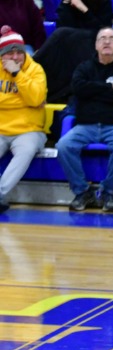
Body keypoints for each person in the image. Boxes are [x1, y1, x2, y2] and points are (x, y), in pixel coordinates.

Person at [56, 27, 113, 212]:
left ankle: (108, 192)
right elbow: (78, 89)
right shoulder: (84, 67)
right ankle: (82, 191)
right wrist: (109, 88)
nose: (107, 41)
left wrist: (93, 91)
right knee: (63, 146)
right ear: (96, 45)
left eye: (112, 38)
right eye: (102, 38)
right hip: (86, 125)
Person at [0, 26, 47, 213]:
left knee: (26, 150)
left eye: (19, 52)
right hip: (1, 129)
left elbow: (35, 98)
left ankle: (0, 193)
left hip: (30, 130)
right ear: (1, 55)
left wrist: (17, 74)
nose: (15, 57)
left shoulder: (35, 70)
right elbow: (33, 100)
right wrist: (22, 100)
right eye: (9, 53)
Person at [33, 0, 113, 103]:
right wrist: (65, 5)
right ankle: (38, 80)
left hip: (94, 43)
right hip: (72, 44)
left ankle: (33, 67)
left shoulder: (104, 2)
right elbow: (62, 25)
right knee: (60, 41)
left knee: (61, 36)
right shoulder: (71, 3)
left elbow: (104, 32)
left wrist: (84, 9)